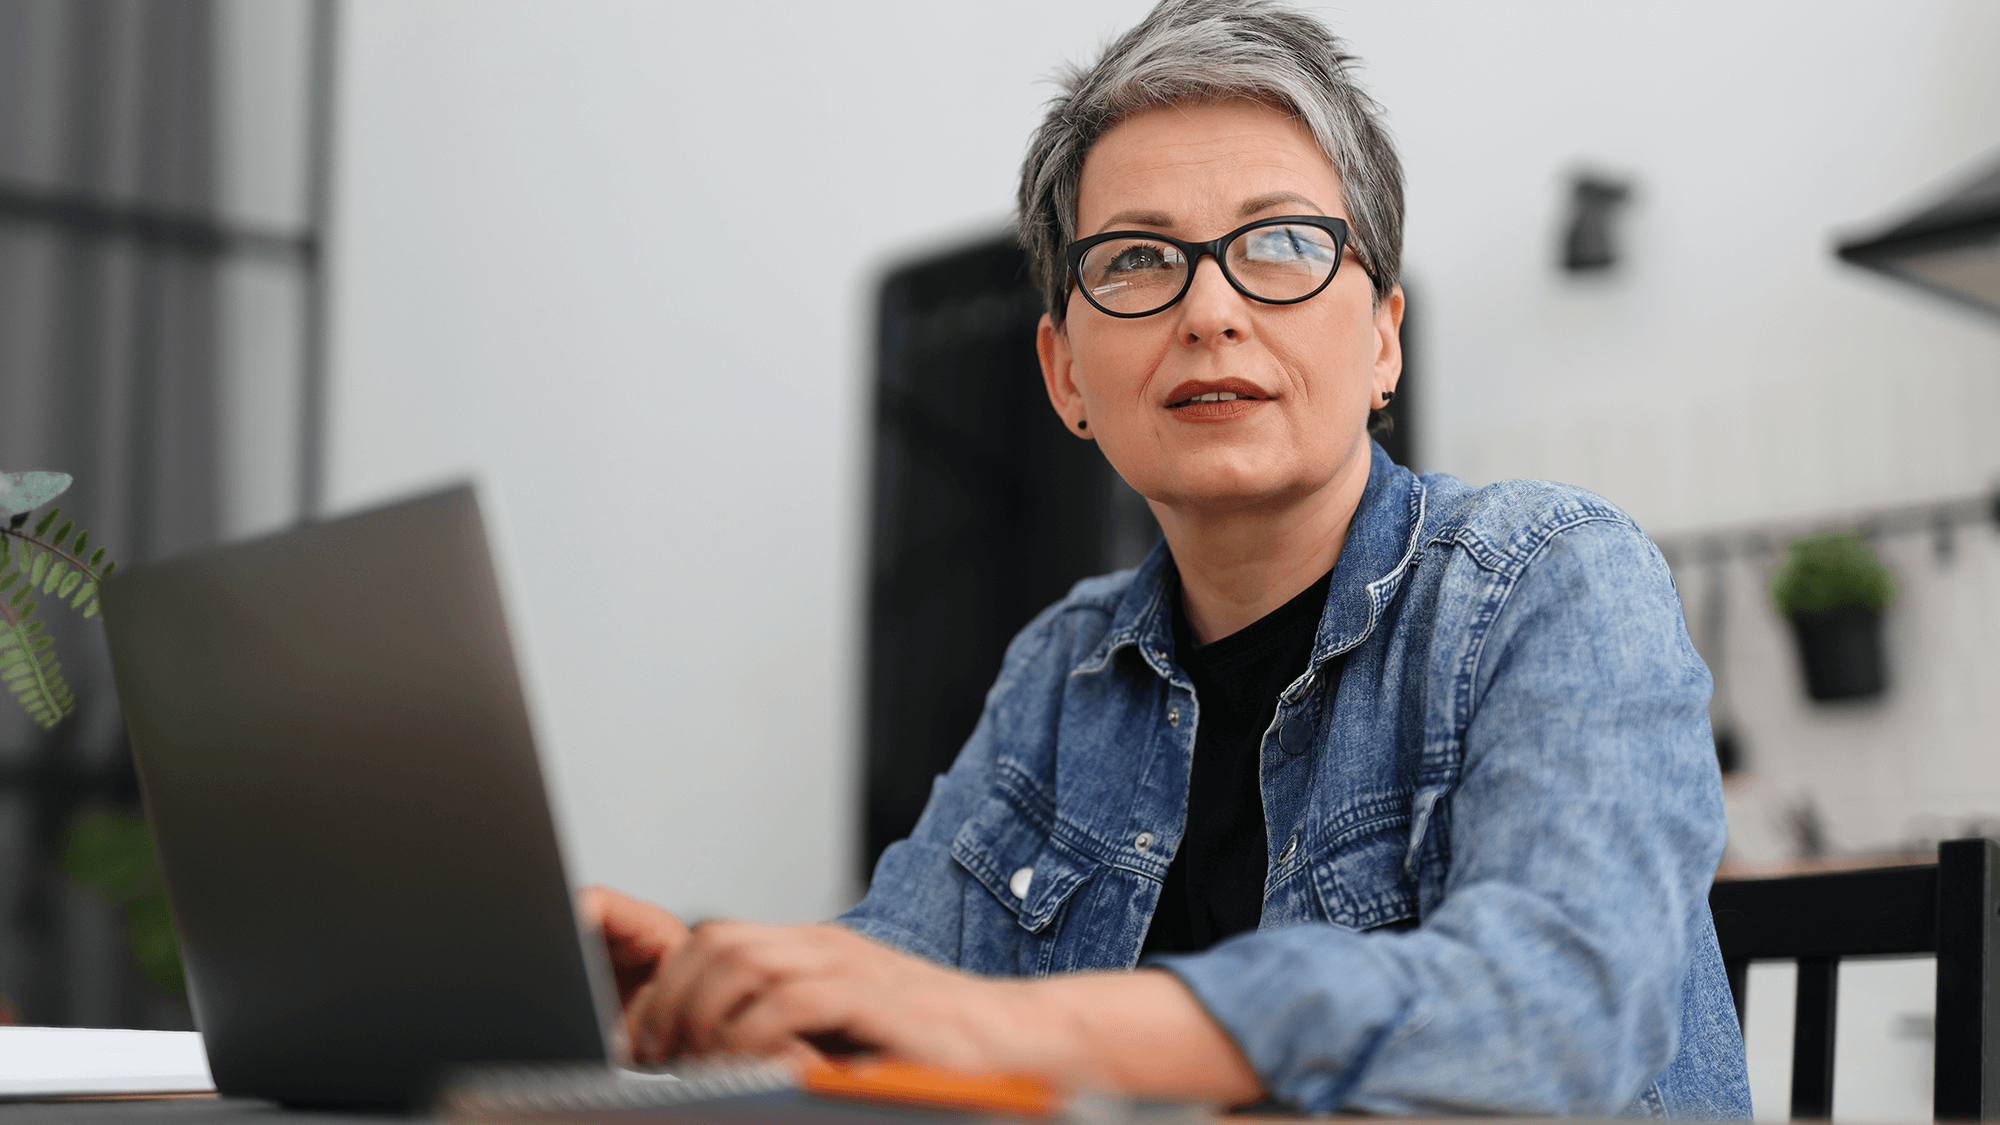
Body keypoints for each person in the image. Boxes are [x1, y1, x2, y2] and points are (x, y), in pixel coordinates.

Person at [585, 0, 1751, 1115]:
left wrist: (1016, 1028)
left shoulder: (1548, 577)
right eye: (1137, 260)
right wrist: (723, 993)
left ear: (1383, 337)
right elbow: (901, 962)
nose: (1209, 310)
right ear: (1064, 376)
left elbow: (1561, 1008)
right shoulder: (1063, 668)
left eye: (1281, 243)